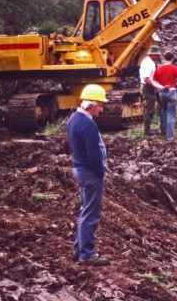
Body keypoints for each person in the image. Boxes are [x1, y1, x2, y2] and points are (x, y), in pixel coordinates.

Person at [66, 84, 109, 265]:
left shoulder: (74, 119)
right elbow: (93, 154)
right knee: (91, 213)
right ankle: (87, 254)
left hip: (80, 169)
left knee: (86, 211)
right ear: (91, 104)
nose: (102, 108)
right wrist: (100, 172)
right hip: (89, 172)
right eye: (100, 104)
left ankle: (79, 250)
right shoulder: (87, 124)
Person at [151, 52, 177, 141]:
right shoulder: (175, 68)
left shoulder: (159, 69)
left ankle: (163, 132)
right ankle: (170, 137)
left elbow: (153, 80)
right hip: (172, 92)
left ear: (164, 58)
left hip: (162, 92)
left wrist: (160, 87)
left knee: (163, 111)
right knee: (171, 114)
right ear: (172, 59)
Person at [140, 45, 160, 136]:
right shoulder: (149, 63)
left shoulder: (147, 61)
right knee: (149, 109)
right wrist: (156, 87)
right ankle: (147, 131)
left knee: (148, 108)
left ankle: (147, 129)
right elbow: (147, 79)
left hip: (147, 87)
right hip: (148, 88)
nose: (158, 57)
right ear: (153, 55)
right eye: (157, 55)